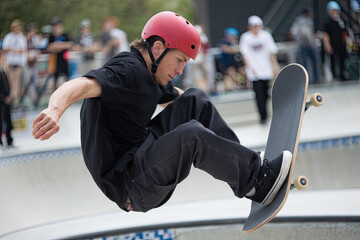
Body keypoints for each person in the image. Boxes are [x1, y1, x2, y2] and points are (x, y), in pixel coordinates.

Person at [32, 11, 292, 213]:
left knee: (196, 98)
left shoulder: (151, 75)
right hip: (132, 185)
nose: (180, 70)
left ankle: (248, 167)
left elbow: (180, 98)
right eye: (179, 60)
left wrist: (206, 113)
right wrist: (54, 110)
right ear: (157, 48)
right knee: (192, 135)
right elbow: (78, 86)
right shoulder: (127, 71)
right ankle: (256, 182)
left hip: (142, 155)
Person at [239, 16, 279, 125]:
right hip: (254, 72)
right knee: (258, 95)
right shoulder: (245, 38)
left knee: (266, 93)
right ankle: (263, 117)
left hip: (266, 70)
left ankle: (266, 113)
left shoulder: (266, 36)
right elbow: (244, 54)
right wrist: (249, 69)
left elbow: (271, 52)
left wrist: (274, 66)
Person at [2, 19, 27, 107]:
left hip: (19, 63)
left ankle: (15, 101)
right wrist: (15, 51)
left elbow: (23, 50)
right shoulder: (9, 37)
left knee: (18, 84)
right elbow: (5, 48)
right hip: (11, 63)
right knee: (11, 83)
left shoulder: (22, 37)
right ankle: (11, 100)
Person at [290, 8, 319, 83]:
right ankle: (310, 79)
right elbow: (302, 33)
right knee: (306, 63)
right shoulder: (302, 21)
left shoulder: (305, 21)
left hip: (307, 44)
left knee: (309, 63)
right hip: (305, 44)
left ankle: (310, 79)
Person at [323, 1, 348, 81]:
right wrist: (327, 45)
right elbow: (325, 35)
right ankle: (334, 75)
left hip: (341, 44)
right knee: (333, 60)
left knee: (342, 59)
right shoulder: (328, 23)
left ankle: (342, 74)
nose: (334, 13)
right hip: (333, 45)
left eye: (336, 11)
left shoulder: (341, 22)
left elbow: (344, 33)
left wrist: (347, 42)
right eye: (333, 11)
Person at [47, 16, 72, 92]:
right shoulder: (51, 36)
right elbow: (50, 47)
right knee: (55, 79)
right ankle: (54, 94)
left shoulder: (65, 34)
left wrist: (57, 46)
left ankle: (68, 93)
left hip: (65, 59)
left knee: (67, 78)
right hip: (55, 60)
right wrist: (61, 46)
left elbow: (70, 44)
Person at [0, 50, 14, 148]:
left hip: (6, 101)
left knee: (8, 120)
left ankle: (9, 140)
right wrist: (3, 98)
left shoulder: (3, 70)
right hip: (2, 101)